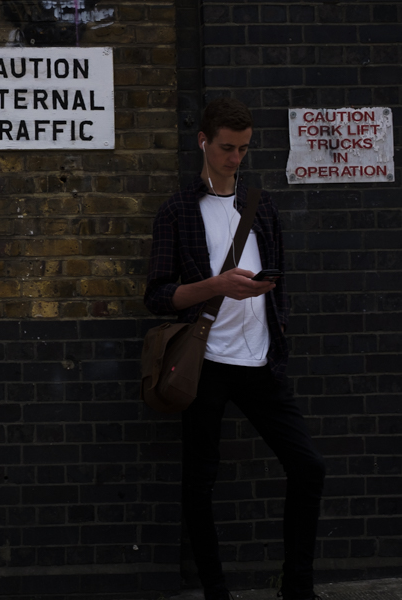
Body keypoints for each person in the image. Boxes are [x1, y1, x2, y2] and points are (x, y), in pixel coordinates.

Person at [144, 98, 325, 600]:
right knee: (201, 480)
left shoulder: (261, 204)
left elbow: (278, 279)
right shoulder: (178, 211)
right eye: (227, 147)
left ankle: (297, 586)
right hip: (205, 364)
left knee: (308, 466)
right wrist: (216, 286)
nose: (235, 158)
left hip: (261, 360)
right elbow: (157, 295)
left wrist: (268, 300)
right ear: (203, 141)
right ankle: (216, 589)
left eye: (244, 149)